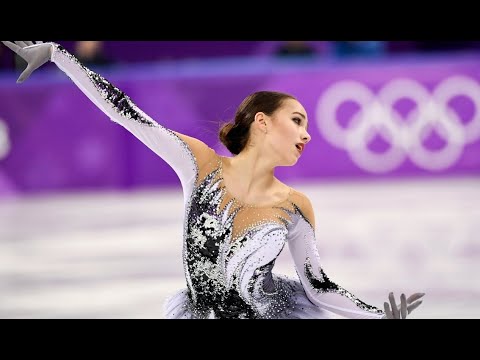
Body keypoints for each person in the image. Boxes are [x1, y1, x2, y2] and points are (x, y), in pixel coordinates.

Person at [1, 41, 425, 319]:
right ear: (262, 123)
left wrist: (381, 315)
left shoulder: (295, 205)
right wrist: (59, 55)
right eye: (296, 121)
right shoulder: (199, 164)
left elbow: (318, 288)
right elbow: (123, 111)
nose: (306, 133)